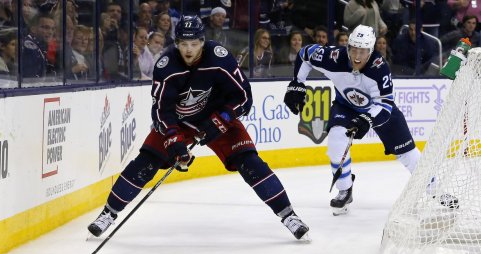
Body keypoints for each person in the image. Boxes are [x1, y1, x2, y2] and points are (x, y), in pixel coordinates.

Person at [88, 15, 309, 240]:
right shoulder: (166, 66)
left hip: (218, 117)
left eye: (194, 44)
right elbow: (161, 111)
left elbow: (244, 97)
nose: (188, 50)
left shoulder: (220, 58)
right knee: (146, 162)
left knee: (250, 162)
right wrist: (174, 140)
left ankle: (289, 215)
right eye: (183, 44)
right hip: (180, 122)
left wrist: (222, 119)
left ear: (203, 41)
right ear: (176, 44)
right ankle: (108, 213)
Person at [283, 25, 457, 215]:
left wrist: (366, 119)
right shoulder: (332, 58)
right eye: (354, 49)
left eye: (363, 51)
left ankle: (435, 190)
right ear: (348, 47)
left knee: (408, 154)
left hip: (380, 111)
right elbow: (304, 54)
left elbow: (385, 105)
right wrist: (297, 83)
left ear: (371, 50)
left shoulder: (379, 68)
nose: (357, 56)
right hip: (346, 106)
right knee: (336, 140)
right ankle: (344, 189)